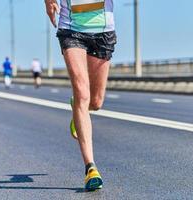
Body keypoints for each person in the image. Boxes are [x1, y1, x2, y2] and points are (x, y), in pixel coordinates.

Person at [45, 0, 117, 191]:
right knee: (82, 93)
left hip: (103, 30)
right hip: (71, 29)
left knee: (95, 102)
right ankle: (90, 168)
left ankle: (77, 108)